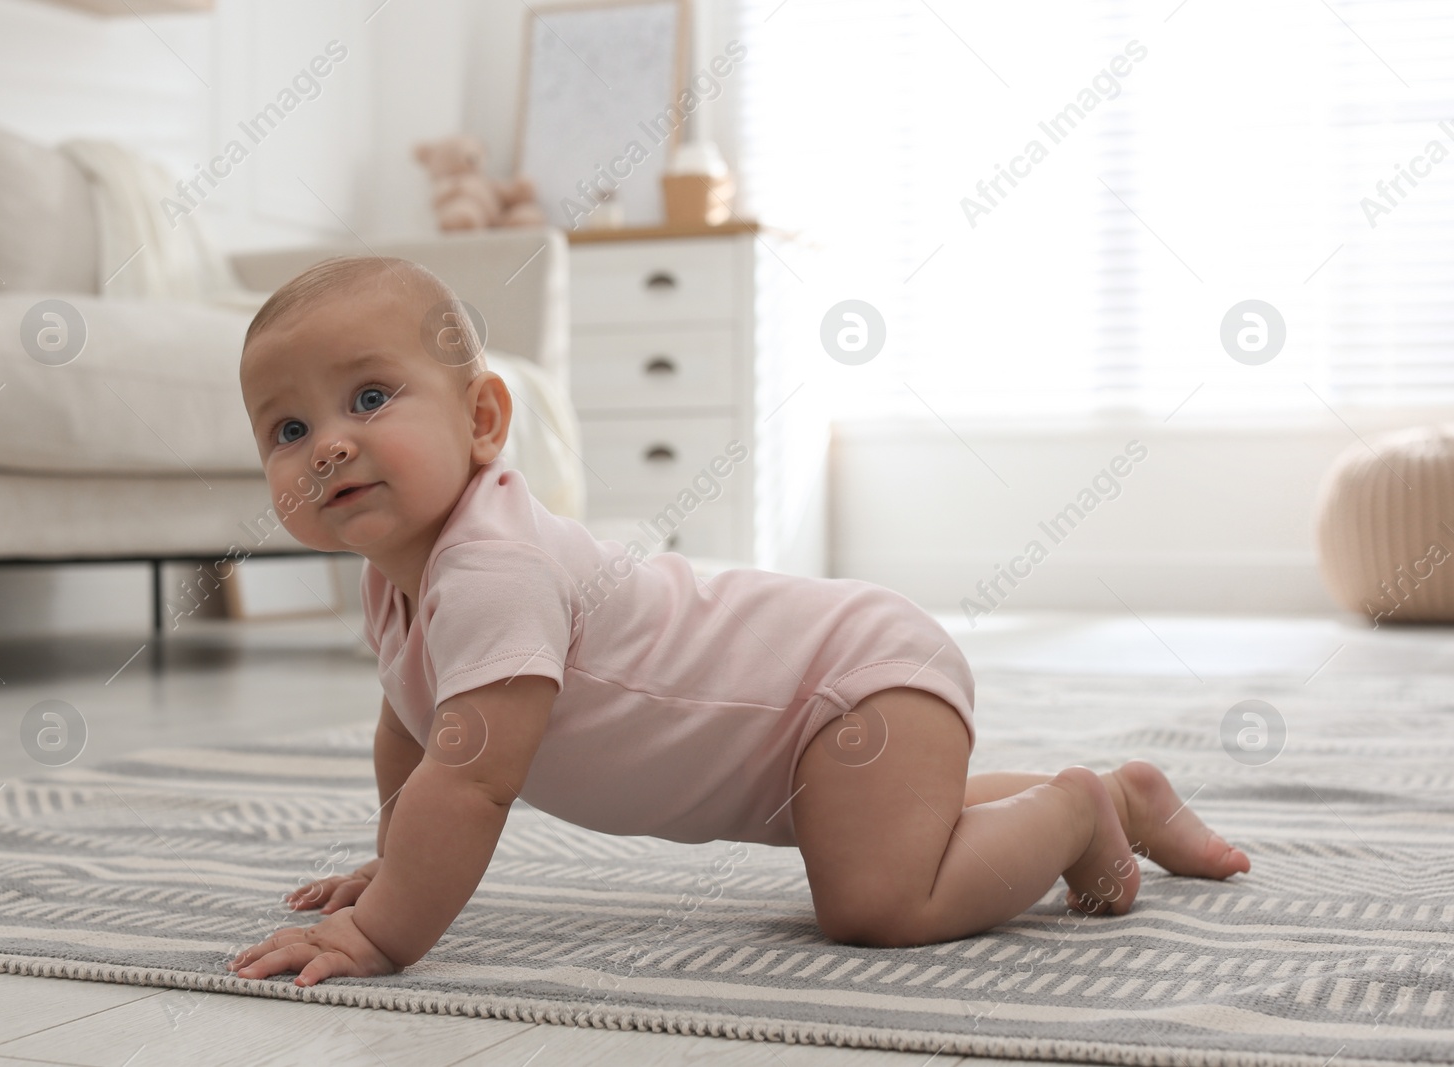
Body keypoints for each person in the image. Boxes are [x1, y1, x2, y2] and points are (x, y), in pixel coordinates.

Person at [227, 256, 1250, 988]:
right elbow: (412, 726)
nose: (328, 445)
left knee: (876, 901)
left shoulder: (493, 566)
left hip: (848, 679)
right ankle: (1128, 792)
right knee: (887, 823)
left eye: (368, 396)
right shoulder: (392, 581)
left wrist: (382, 931)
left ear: (483, 420)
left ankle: (1074, 813)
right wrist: (393, 853)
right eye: (289, 427)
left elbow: (472, 776)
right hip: (810, 723)